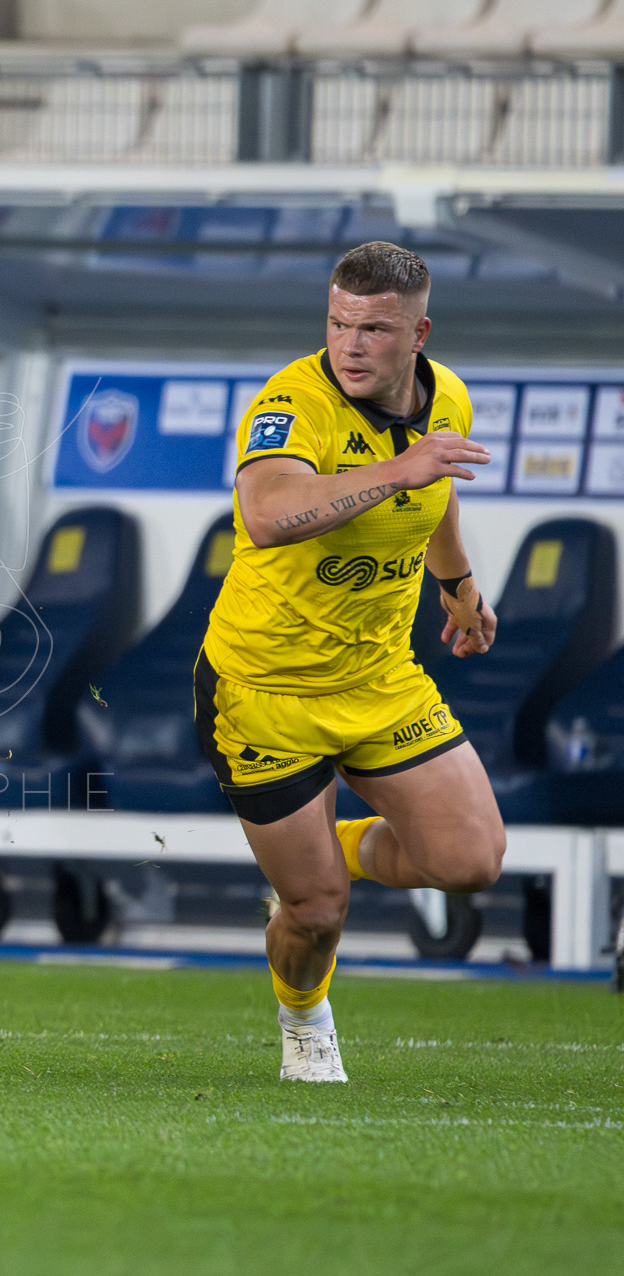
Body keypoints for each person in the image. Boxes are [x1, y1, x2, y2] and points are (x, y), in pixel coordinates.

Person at [199, 240, 501, 1083]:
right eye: (338, 323)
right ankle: (305, 1023)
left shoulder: (451, 403)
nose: (350, 345)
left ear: (419, 334)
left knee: (471, 862)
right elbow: (266, 512)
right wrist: (401, 466)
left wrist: (460, 590)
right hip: (263, 688)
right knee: (317, 911)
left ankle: (330, 841)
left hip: (377, 677)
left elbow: (430, 494)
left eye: (373, 328)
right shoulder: (293, 401)